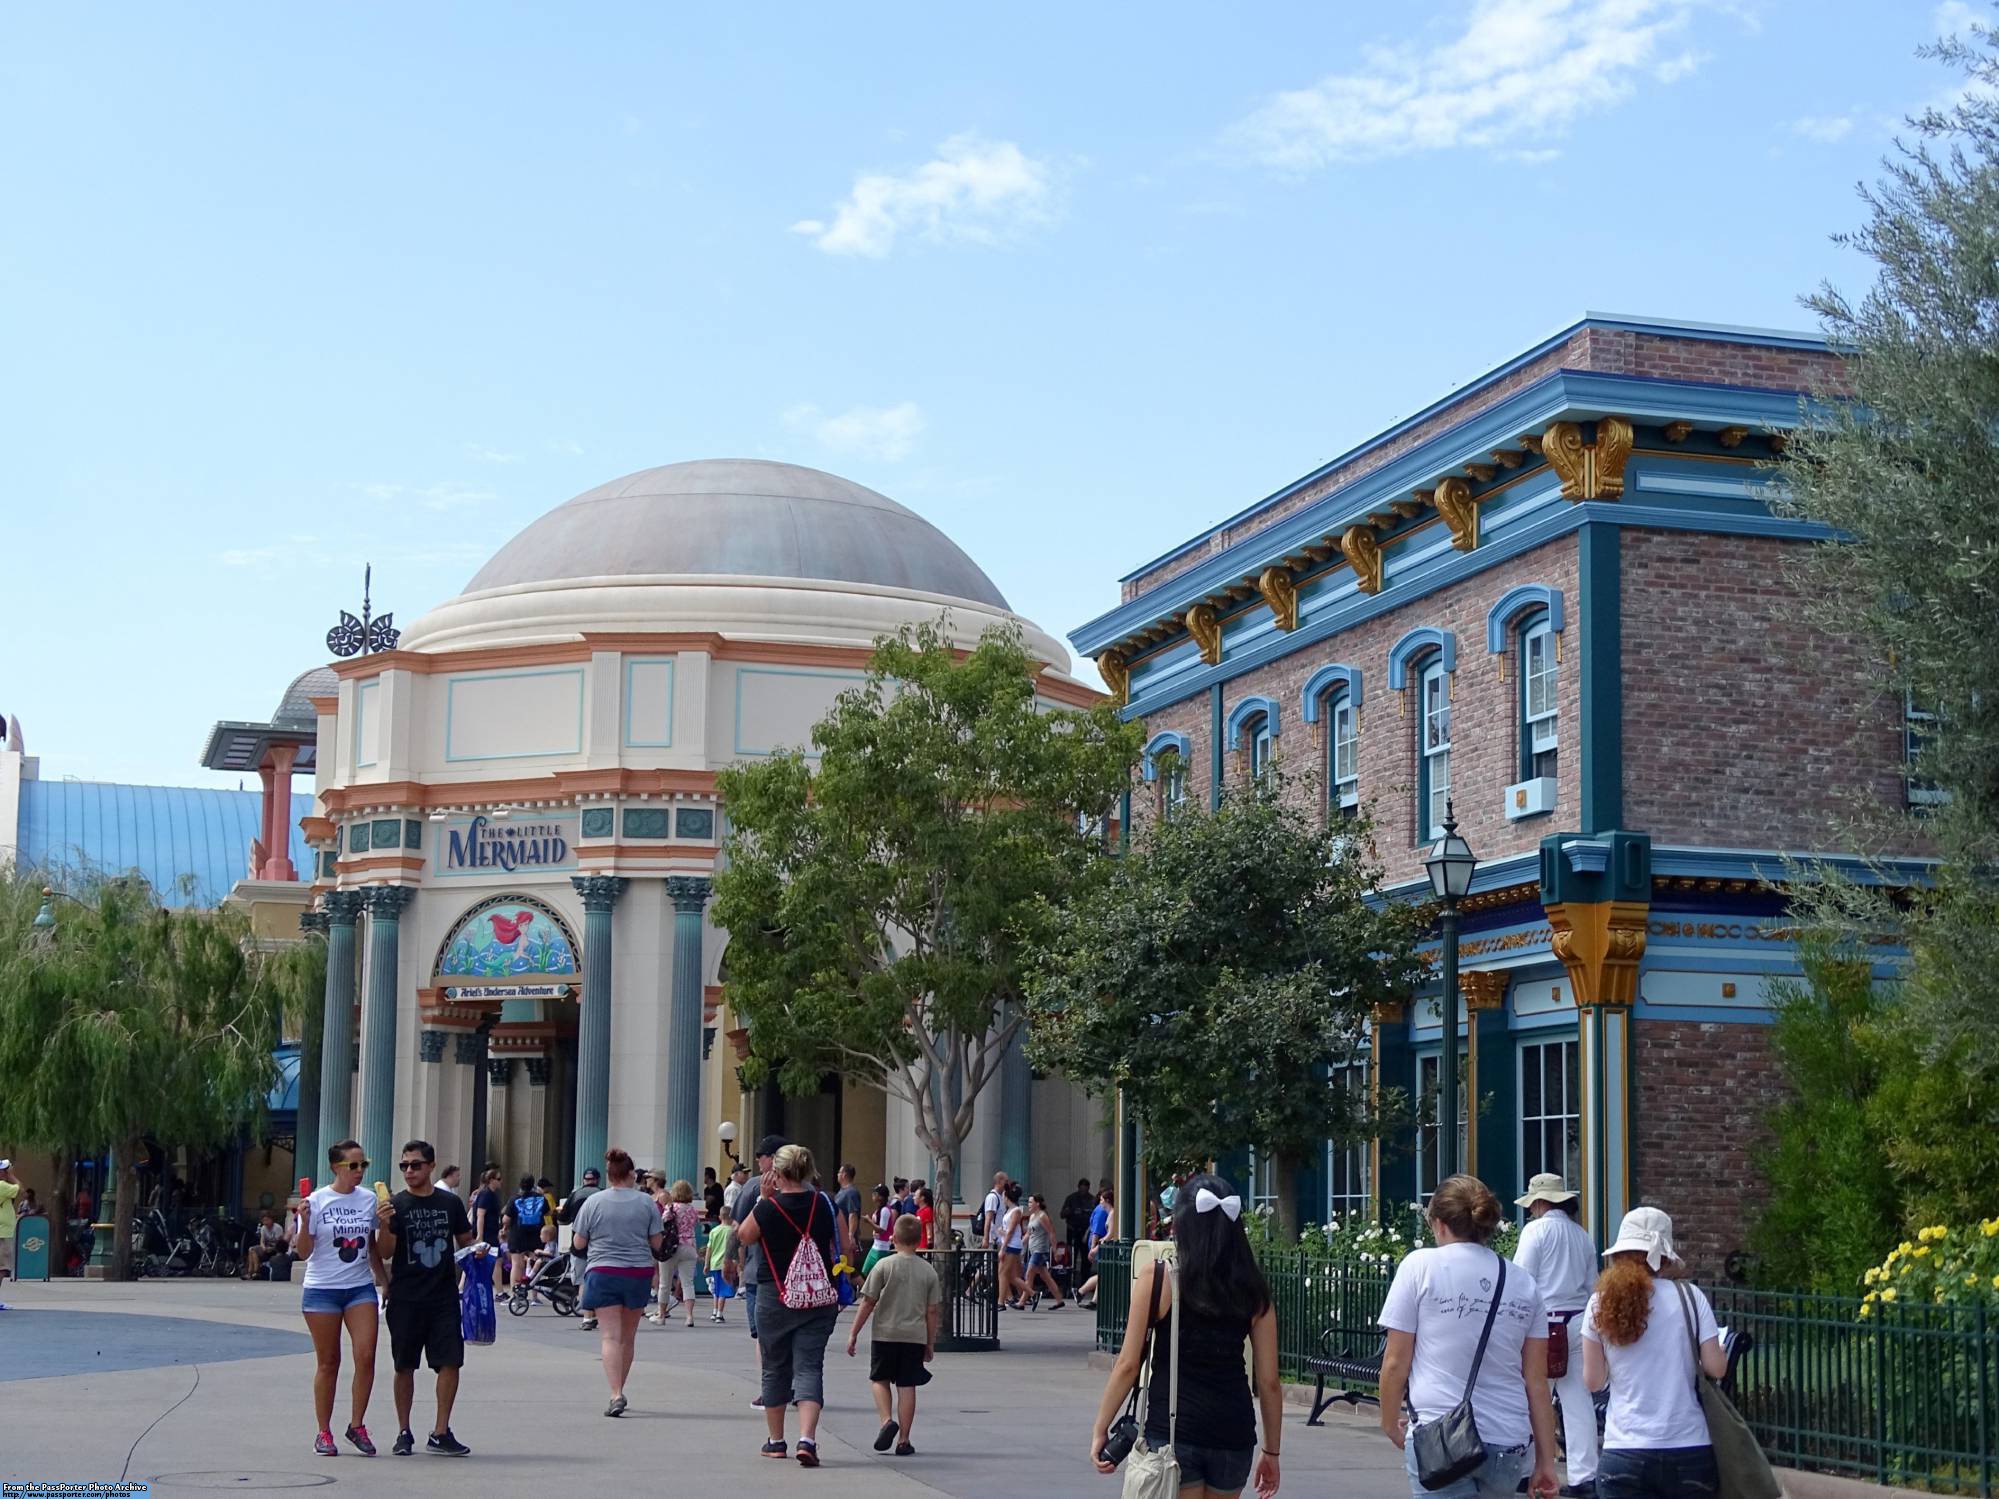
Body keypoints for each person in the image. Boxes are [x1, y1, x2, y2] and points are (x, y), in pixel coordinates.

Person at [1089, 1172, 1282, 1499]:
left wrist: (1100, 1429)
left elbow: (1127, 1364)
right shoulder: (1253, 1288)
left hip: (1174, 1431)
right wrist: (1272, 1452)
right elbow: (1269, 1382)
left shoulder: (1159, 1278)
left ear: (1182, 1223)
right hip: (1233, 1433)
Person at [1378, 1175, 1560, 1499]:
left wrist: (1390, 1420)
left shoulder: (1420, 1267)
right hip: (1508, 1441)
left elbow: (1395, 1362)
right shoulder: (1523, 1284)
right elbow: (1536, 1382)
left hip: (1441, 1436)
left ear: (1439, 1224)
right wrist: (1546, 1460)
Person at [1583, 1208, 1729, 1499]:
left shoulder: (1599, 1304)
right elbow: (1716, 1368)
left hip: (1625, 1448)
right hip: (1688, 1447)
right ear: (1664, 1256)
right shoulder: (1690, 1297)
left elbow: (1593, 1381)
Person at [735, 1142, 844, 1466]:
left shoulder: (768, 1207)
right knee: (810, 1366)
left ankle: (776, 1440)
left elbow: (744, 1235)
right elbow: (844, 1242)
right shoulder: (823, 1203)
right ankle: (807, 1438)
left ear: (777, 1173)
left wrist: (765, 1199)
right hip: (818, 1296)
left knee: (775, 1367)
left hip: (775, 1295)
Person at [374, 1139, 480, 1457]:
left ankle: (440, 1430)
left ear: (431, 1166)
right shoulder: (396, 1204)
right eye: (404, 1165)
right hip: (406, 1295)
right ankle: (403, 1430)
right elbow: (385, 1252)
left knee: (450, 1362)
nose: (409, 1171)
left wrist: (478, 1257)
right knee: (404, 1365)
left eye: (415, 1165)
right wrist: (384, 1223)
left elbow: (465, 1240)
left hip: (444, 1295)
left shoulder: (449, 1203)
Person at [294, 1139, 388, 1458]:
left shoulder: (368, 1200)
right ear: (336, 1167)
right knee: (329, 1361)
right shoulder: (317, 1200)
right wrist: (305, 1220)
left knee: (366, 1355)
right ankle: (323, 1431)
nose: (360, 1171)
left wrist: (384, 1280)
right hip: (322, 1289)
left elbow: (374, 1246)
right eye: (353, 1165)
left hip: (359, 1287)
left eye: (364, 1164)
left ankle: (357, 1424)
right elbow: (304, 1252)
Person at [1514, 1174, 1601, 1497]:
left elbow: (1522, 1281)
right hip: (1578, 1322)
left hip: (1544, 1324)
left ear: (1538, 1202)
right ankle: (1584, 1476)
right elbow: (1594, 1284)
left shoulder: (1535, 1231)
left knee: (1533, 1398)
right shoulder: (1581, 1235)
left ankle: (1526, 1470)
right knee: (1578, 1401)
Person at [570, 1148, 663, 1417]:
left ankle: (615, 1393)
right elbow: (656, 1242)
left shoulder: (593, 1203)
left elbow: (579, 1242)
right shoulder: (646, 1203)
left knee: (610, 1335)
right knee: (628, 1337)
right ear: (631, 1174)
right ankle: (620, 1386)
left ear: (609, 1176)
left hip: (603, 1271)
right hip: (637, 1272)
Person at [847, 1212, 942, 1456]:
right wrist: (930, 1342)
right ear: (919, 1239)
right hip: (914, 1336)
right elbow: (932, 1311)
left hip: (885, 1334)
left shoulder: (883, 1265)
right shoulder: (928, 1271)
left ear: (894, 1239)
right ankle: (904, 1440)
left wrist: (854, 1332)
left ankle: (886, 1420)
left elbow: (868, 1302)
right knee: (907, 1384)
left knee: (879, 1379)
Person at [735, 1134, 786, 1404]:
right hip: (799, 1277)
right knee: (793, 1336)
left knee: (763, 1337)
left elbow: (739, 1229)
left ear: (773, 1157)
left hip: (761, 1273)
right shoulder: (810, 1190)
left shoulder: (755, 1187)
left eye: (761, 1155)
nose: (757, 1160)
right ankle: (795, 1387)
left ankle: (771, 1389)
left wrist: (733, 1261)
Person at [557, 1166, 602, 1330]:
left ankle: (586, 1317)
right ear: (597, 1180)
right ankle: (595, 1314)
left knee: (583, 1281)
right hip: (600, 1245)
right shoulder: (603, 1195)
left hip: (579, 1244)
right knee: (597, 1280)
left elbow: (562, 1220)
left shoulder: (575, 1195)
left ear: (584, 1180)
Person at [655, 1179, 703, 1328]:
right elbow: (696, 1224)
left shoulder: (671, 1208)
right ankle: (689, 1317)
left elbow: (662, 1222)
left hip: (671, 1247)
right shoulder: (692, 1210)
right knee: (688, 1283)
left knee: (665, 1283)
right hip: (689, 1247)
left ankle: (661, 1315)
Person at [1021, 1193, 1067, 1309]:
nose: (1029, 1205)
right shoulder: (1032, 1216)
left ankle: (1023, 1301)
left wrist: (1055, 1250)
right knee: (1045, 1276)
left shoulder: (1042, 1216)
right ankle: (1059, 1300)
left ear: (1038, 1203)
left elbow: (1051, 1232)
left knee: (1029, 1273)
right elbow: (1028, 1234)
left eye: (1031, 1202)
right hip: (1033, 1249)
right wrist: (1020, 1244)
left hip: (1040, 1250)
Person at [503, 1175, 546, 1288]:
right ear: (533, 1184)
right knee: (534, 1262)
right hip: (536, 1234)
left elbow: (506, 1219)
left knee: (516, 1264)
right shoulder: (540, 1198)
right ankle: (535, 1295)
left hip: (517, 1234)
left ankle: (515, 1292)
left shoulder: (514, 1199)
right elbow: (548, 1212)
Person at [997, 1182, 1029, 1310]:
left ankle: (1001, 1301)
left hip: (1011, 1245)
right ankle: (1031, 1293)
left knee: (1003, 1273)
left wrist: (1003, 1247)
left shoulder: (1016, 1211)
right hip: (1009, 1243)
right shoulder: (1010, 1210)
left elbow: (1011, 1231)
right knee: (1009, 1275)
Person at [1061, 1177, 1095, 1281]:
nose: (1083, 1191)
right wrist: (1069, 1212)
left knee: (1086, 1258)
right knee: (1071, 1257)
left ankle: (1084, 1281)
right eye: (1082, 1189)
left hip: (1086, 1231)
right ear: (1078, 1188)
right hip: (1073, 1231)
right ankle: (1069, 1281)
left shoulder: (1092, 1200)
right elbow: (1062, 1214)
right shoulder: (1071, 1199)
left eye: (1085, 1189)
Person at [707, 1206, 737, 1323]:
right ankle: (720, 1313)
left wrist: (706, 1264)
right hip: (725, 1263)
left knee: (716, 1289)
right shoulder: (732, 1232)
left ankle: (714, 1311)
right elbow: (735, 1249)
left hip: (714, 1263)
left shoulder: (714, 1231)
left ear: (719, 1217)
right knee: (723, 1291)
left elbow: (709, 1249)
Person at [246, 1209, 292, 1279]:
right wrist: (263, 1247)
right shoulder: (263, 1228)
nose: (265, 1222)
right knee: (251, 1250)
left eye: (267, 1220)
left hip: (276, 1249)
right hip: (267, 1248)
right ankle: (251, 1272)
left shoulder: (277, 1228)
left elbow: (280, 1243)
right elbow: (262, 1240)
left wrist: (272, 1248)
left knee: (263, 1250)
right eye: (263, 1221)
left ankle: (256, 1272)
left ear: (271, 1219)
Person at [863, 1184, 897, 1275]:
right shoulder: (879, 1210)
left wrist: (869, 1221)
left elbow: (882, 1230)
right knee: (865, 1272)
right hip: (875, 1246)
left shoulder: (885, 1210)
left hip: (882, 1248)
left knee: (878, 1274)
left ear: (880, 1197)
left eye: (875, 1194)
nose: (873, 1196)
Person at [468, 1169, 504, 1253]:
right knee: (494, 1261)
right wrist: (480, 1236)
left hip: (492, 1233)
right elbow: (480, 1215)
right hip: (487, 1235)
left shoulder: (492, 1195)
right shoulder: (485, 1194)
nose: (501, 1181)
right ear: (491, 1180)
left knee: (496, 1260)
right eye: (498, 1179)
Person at [833, 1165, 864, 1258]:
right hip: (838, 1235)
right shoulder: (841, 1192)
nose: (837, 1175)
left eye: (839, 1172)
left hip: (845, 1238)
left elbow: (853, 1214)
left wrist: (850, 1235)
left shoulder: (851, 1192)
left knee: (847, 1266)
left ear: (844, 1175)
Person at [0, 1160, 20, 1293]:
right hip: (3, 1232)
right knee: (2, 1267)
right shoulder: (2, 1186)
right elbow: (19, 1188)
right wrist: (12, 1176)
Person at [978, 1171, 1008, 1247]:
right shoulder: (992, 1197)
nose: (1007, 1184)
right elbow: (988, 1219)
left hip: (1000, 1239)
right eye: (1006, 1181)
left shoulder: (1002, 1197)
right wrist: (986, 1238)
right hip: (993, 1239)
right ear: (999, 1181)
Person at [914, 1186, 937, 1250]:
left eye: (915, 1196)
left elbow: (929, 1228)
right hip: (919, 1243)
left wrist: (929, 1241)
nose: (914, 1198)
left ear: (922, 1198)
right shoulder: (918, 1211)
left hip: (924, 1245)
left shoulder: (927, 1210)